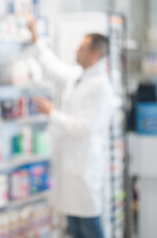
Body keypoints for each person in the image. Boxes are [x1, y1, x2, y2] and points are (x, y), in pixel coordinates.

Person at [27, 18, 115, 238]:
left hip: (85, 170)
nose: (76, 50)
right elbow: (54, 68)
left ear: (94, 54)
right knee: (75, 228)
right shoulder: (80, 76)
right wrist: (35, 37)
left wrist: (51, 113)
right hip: (71, 169)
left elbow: (84, 128)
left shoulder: (102, 88)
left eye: (81, 48)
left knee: (89, 227)